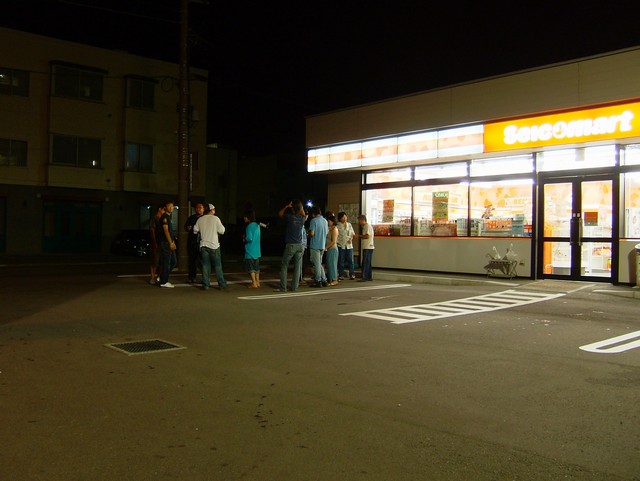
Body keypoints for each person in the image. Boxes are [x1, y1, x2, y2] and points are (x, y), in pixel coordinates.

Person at [193, 204, 228, 290]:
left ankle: (206, 284)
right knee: (217, 266)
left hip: (203, 245)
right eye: (214, 209)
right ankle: (222, 284)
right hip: (214, 246)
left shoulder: (200, 219)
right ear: (211, 210)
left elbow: (195, 230)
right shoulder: (216, 219)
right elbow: (222, 231)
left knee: (205, 266)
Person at [276, 199, 306, 292]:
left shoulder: (289, 217)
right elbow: (303, 213)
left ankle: (283, 287)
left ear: (292, 209)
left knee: (284, 265)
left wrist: (286, 206)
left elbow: (280, 214)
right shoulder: (302, 219)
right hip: (300, 245)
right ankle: (294, 287)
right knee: (297, 266)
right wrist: (301, 207)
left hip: (291, 245)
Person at [157, 200, 177, 288]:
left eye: (172, 206)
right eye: (169, 206)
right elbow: (166, 230)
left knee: (173, 262)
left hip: (169, 242)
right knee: (167, 263)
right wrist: (170, 243)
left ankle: (162, 277)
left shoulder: (168, 217)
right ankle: (164, 281)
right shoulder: (164, 217)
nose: (171, 208)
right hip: (166, 243)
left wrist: (173, 242)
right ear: (165, 207)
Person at [184, 201, 205, 283]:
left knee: (203, 261)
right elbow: (185, 227)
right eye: (197, 208)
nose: (198, 209)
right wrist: (188, 228)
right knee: (192, 261)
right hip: (192, 242)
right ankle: (191, 277)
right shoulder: (191, 218)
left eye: (200, 207)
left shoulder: (205, 218)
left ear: (203, 209)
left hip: (202, 242)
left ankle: (205, 278)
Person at [308, 206, 328, 287]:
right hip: (322, 245)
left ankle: (318, 281)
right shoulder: (325, 221)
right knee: (319, 263)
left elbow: (312, 233)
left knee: (316, 264)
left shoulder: (313, 221)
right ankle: (324, 280)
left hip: (315, 245)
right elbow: (326, 233)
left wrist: (309, 234)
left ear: (313, 214)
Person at [243, 209, 261, 289]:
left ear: (249, 217)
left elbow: (249, 238)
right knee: (257, 268)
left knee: (251, 268)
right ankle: (258, 282)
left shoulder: (249, 226)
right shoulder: (257, 225)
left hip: (250, 250)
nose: (244, 218)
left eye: (245, 217)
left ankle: (254, 283)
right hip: (257, 250)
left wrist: (244, 239)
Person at [337, 211, 356, 280]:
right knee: (341, 261)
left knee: (351, 261)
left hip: (349, 245)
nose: (345, 218)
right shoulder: (337, 225)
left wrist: (351, 238)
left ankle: (352, 274)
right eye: (343, 217)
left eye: (345, 217)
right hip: (341, 245)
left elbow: (352, 234)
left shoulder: (349, 224)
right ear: (340, 218)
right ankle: (341, 274)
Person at [355, 214, 374, 281]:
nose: (359, 222)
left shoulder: (367, 226)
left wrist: (359, 236)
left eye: (359, 220)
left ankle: (364, 277)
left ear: (363, 220)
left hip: (368, 247)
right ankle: (369, 276)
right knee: (368, 263)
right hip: (368, 247)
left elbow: (367, 236)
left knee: (365, 262)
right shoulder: (365, 226)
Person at [148, 204, 164, 285]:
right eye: (163, 209)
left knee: (161, 261)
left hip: (162, 242)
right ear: (159, 209)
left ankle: (158, 277)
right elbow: (152, 229)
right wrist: (154, 241)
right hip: (156, 242)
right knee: (155, 261)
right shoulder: (154, 218)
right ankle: (152, 277)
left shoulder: (163, 219)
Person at [325, 214, 339, 286]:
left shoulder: (334, 229)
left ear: (333, 221)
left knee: (332, 264)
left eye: (329, 221)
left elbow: (333, 241)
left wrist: (326, 247)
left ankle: (334, 279)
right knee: (329, 264)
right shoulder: (330, 229)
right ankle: (330, 279)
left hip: (332, 249)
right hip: (329, 249)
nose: (328, 222)